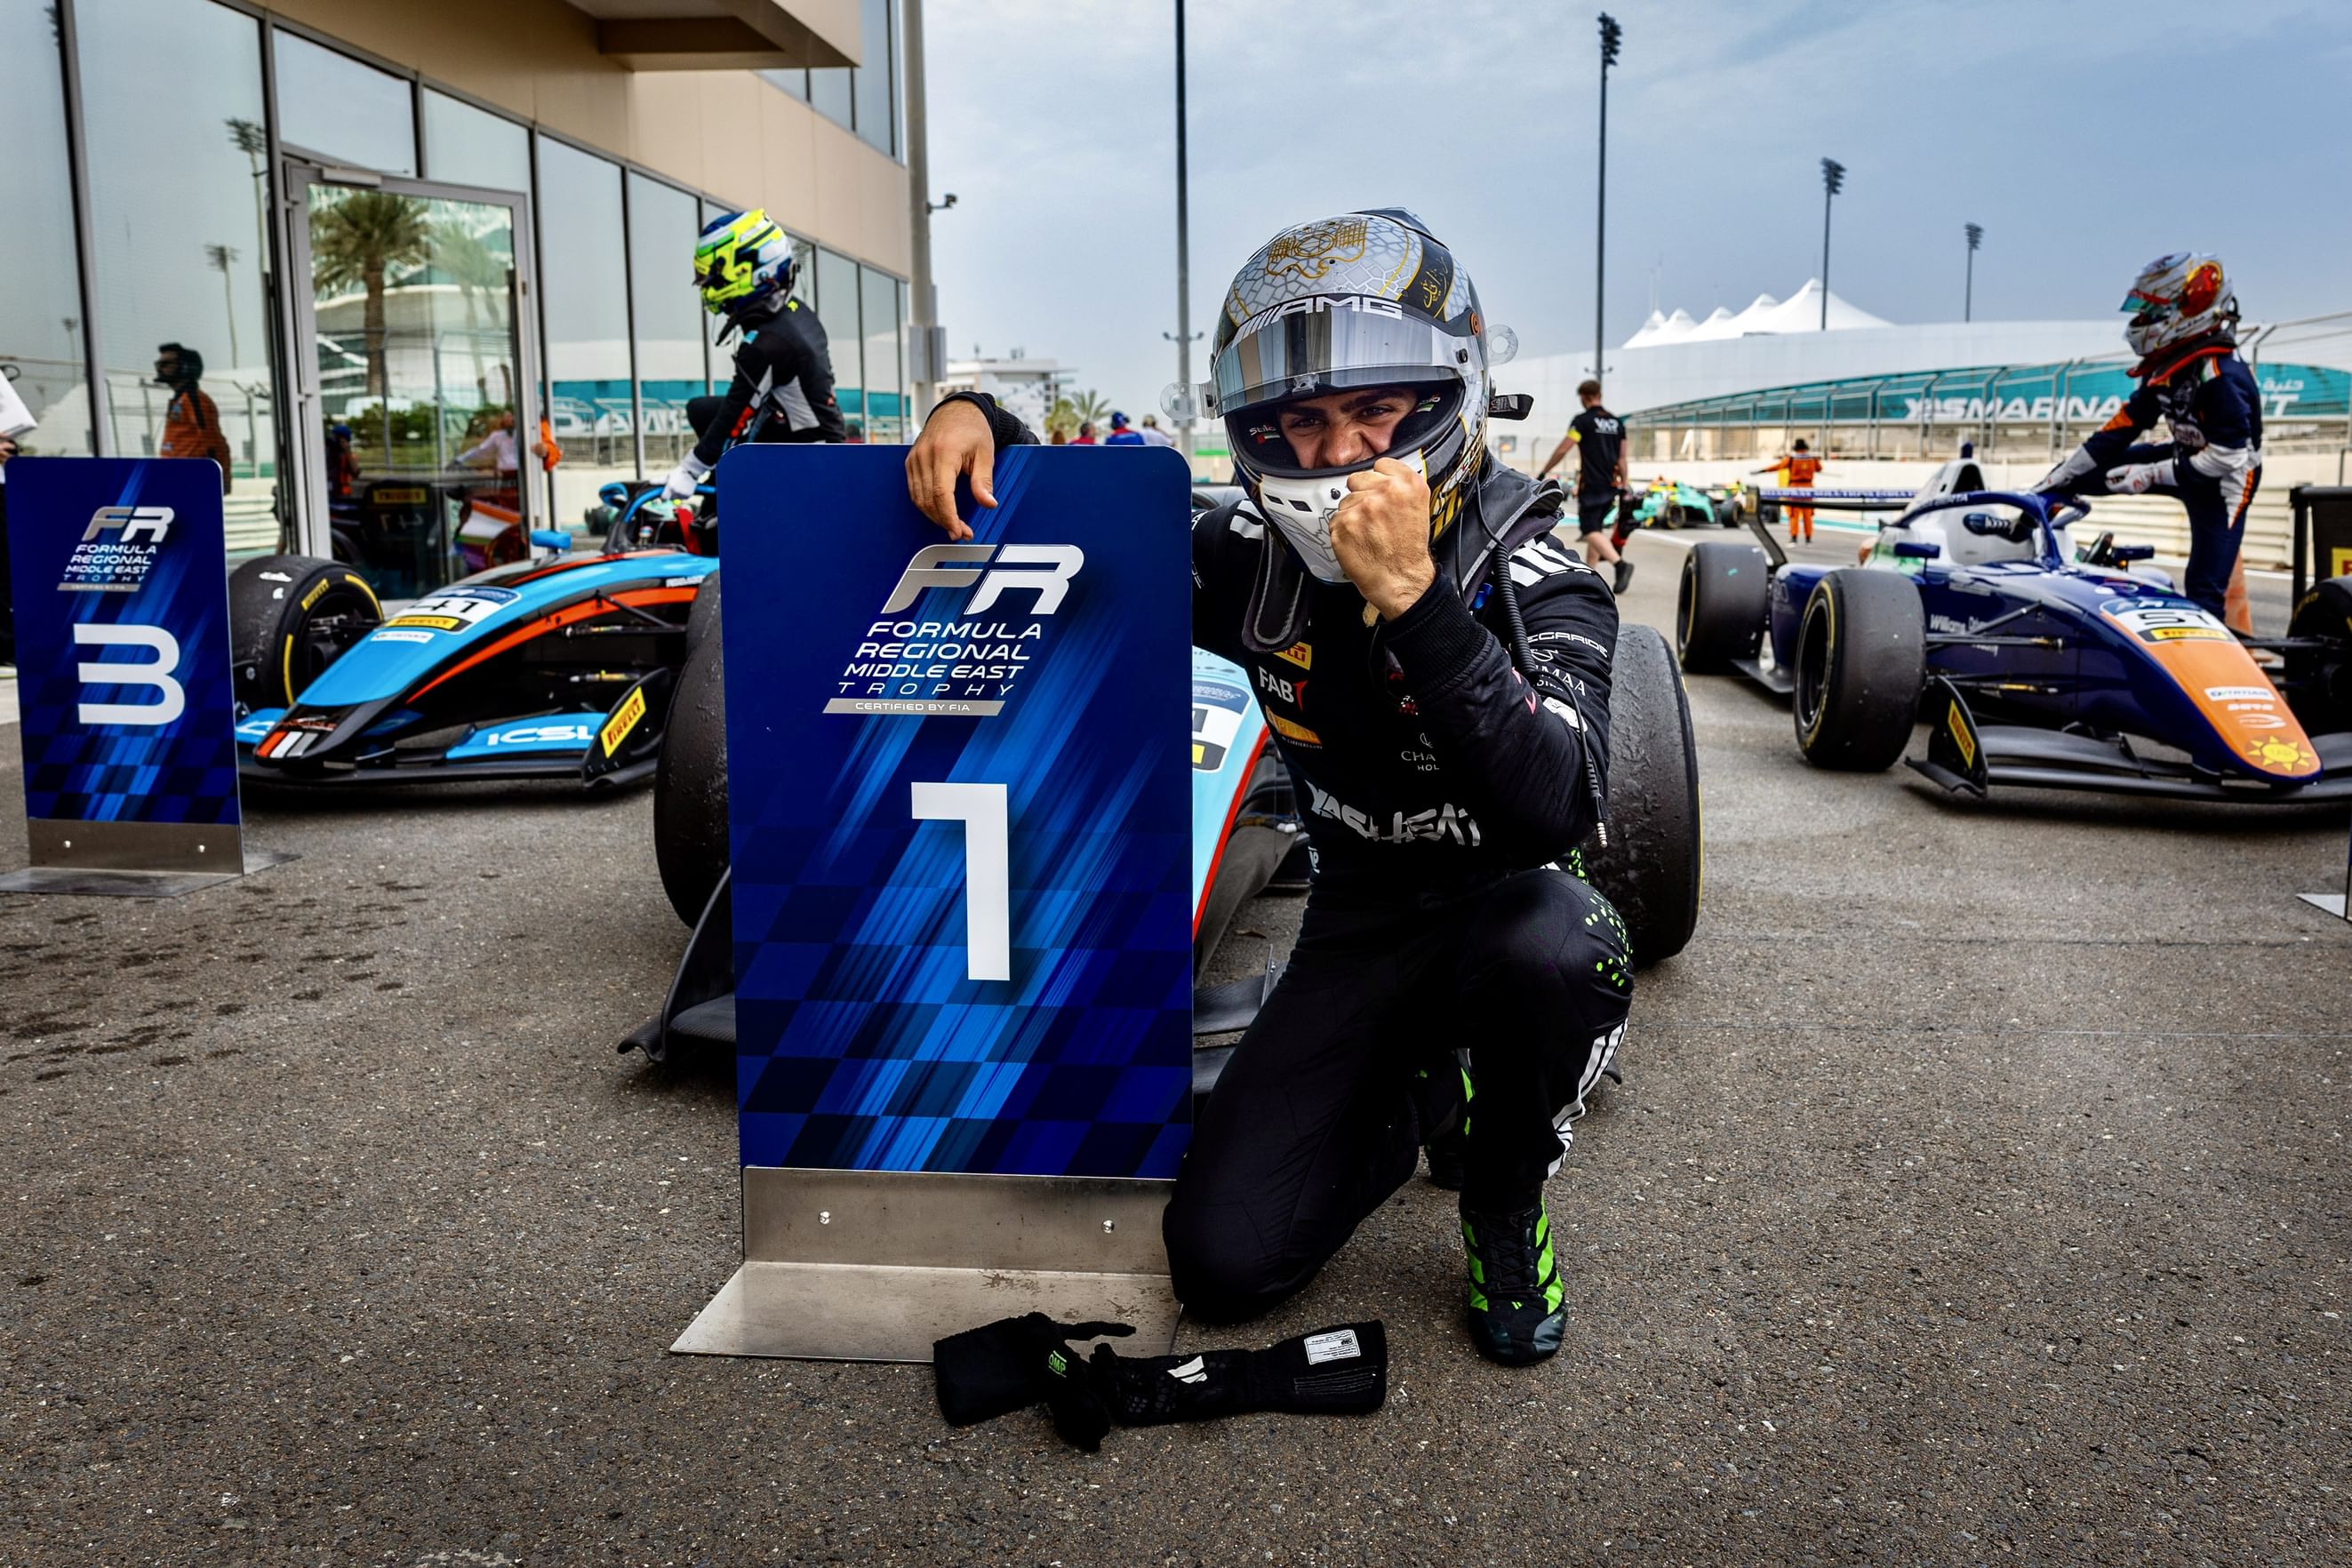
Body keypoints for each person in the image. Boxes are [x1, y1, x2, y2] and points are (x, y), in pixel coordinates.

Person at [905, 208, 1630, 1367]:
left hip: (1508, 908)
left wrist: (1415, 601)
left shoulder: (1537, 567)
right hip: (1357, 923)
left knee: (1567, 946)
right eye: (1302, 420)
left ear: (1446, 399)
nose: (1337, 454)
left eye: (1374, 411)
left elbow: (1562, 805)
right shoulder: (1241, 557)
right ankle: (1415, 1094)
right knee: (1223, 1264)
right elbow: (1077, 511)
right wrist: (972, 413)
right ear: (1255, 429)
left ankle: (1504, 1203)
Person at [2033, 252, 2262, 627]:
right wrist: (2063, 473)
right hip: (2182, 458)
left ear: (2190, 309)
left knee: (2204, 589)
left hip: (2226, 484)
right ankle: (2035, 546)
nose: (2141, 321)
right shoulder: (2168, 367)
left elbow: (2229, 457)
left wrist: (2151, 474)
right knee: (2078, 476)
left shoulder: (2221, 376)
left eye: (2152, 312)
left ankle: (2211, 654)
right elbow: (2124, 424)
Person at [664, 208, 845, 499]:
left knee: (723, 426)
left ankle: (720, 511)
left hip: (810, 459)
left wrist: (689, 470)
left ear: (744, 272)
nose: (706, 287)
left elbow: (736, 413)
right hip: (823, 441)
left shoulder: (769, 343)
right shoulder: (794, 312)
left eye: (712, 278)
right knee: (701, 409)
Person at [1535, 379, 1633, 594]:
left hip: (1592, 484)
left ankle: (1620, 565)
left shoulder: (1583, 422)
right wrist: (1624, 485)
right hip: (1611, 484)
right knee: (1596, 530)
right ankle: (1590, 576)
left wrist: (1544, 471)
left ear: (1585, 397)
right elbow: (1622, 458)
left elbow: (1564, 449)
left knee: (1589, 531)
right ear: (1599, 395)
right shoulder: (1617, 423)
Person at [155, 342, 231, 492]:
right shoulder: (180, 400)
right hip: (176, 479)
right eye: (159, 364)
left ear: (186, 366)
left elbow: (213, 441)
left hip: (192, 480)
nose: (160, 369)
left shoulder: (195, 399)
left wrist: (220, 480)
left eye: (166, 364)